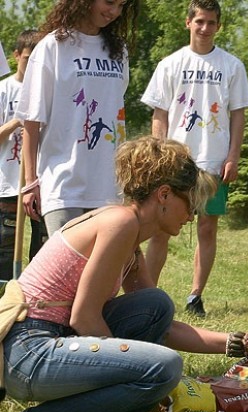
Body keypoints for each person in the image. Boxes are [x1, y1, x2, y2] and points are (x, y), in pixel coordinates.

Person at [1, 136, 248, 412]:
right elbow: (84, 318)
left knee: (156, 306)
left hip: (48, 342)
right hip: (29, 353)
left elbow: (164, 326)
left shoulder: (129, 240)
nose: (192, 216)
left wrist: (242, 343)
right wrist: (127, 369)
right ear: (165, 195)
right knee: (163, 368)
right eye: (191, 203)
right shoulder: (119, 224)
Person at [141, 0, 248, 317]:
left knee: (207, 229)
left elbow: (238, 115)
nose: (205, 28)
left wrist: (233, 155)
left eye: (211, 22)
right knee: (160, 230)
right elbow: (159, 113)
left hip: (214, 162)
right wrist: (159, 153)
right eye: (200, 21)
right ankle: (147, 294)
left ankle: (195, 296)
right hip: (176, 162)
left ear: (218, 26)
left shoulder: (231, 66)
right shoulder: (170, 64)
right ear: (187, 23)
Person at [16, 0, 139, 237]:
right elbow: (31, 120)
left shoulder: (118, 50)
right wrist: (30, 183)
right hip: (63, 186)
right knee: (69, 271)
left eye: (121, 5)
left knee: (104, 272)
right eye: (109, 2)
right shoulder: (52, 46)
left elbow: (113, 109)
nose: (114, 12)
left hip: (109, 186)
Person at [0, 30, 48, 279]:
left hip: (42, 180)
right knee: (6, 245)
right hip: (8, 181)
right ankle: (5, 292)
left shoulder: (49, 90)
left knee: (44, 244)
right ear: (16, 55)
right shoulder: (4, 90)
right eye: (28, 59)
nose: (32, 67)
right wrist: (17, 122)